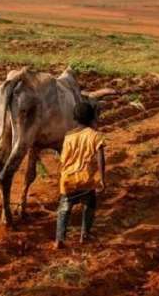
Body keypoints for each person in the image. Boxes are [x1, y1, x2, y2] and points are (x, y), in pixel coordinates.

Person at [55, 101, 106, 249]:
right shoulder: (95, 136)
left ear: (75, 118)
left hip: (68, 179)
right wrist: (102, 179)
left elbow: (63, 159)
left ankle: (59, 239)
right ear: (92, 117)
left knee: (64, 208)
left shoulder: (68, 136)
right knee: (89, 205)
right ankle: (85, 234)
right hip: (86, 180)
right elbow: (101, 157)